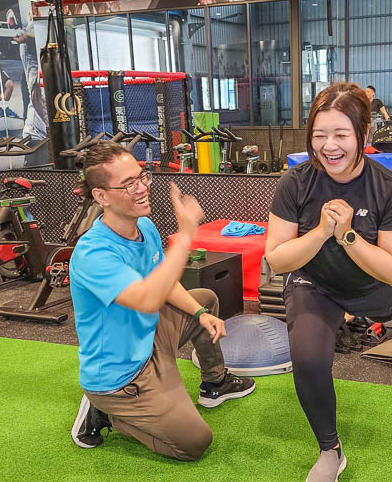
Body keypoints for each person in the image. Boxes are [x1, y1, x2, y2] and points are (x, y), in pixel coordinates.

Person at [266, 83, 392, 482]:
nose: (329, 146)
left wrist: (347, 234)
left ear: (363, 134)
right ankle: (330, 449)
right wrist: (320, 232)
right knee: (309, 360)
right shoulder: (295, 183)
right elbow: (277, 259)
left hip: (375, 289)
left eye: (341, 134)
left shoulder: (388, 187)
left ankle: (348, 315)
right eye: (319, 135)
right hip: (315, 283)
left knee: (389, 299)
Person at [69, 141, 255, 457]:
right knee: (195, 442)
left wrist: (200, 314)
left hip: (150, 341)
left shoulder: (144, 226)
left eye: (142, 177)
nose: (142, 188)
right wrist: (185, 236)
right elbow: (148, 299)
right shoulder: (93, 253)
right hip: (120, 378)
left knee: (204, 300)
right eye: (128, 184)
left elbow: (165, 283)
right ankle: (107, 413)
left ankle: (215, 383)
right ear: (101, 196)